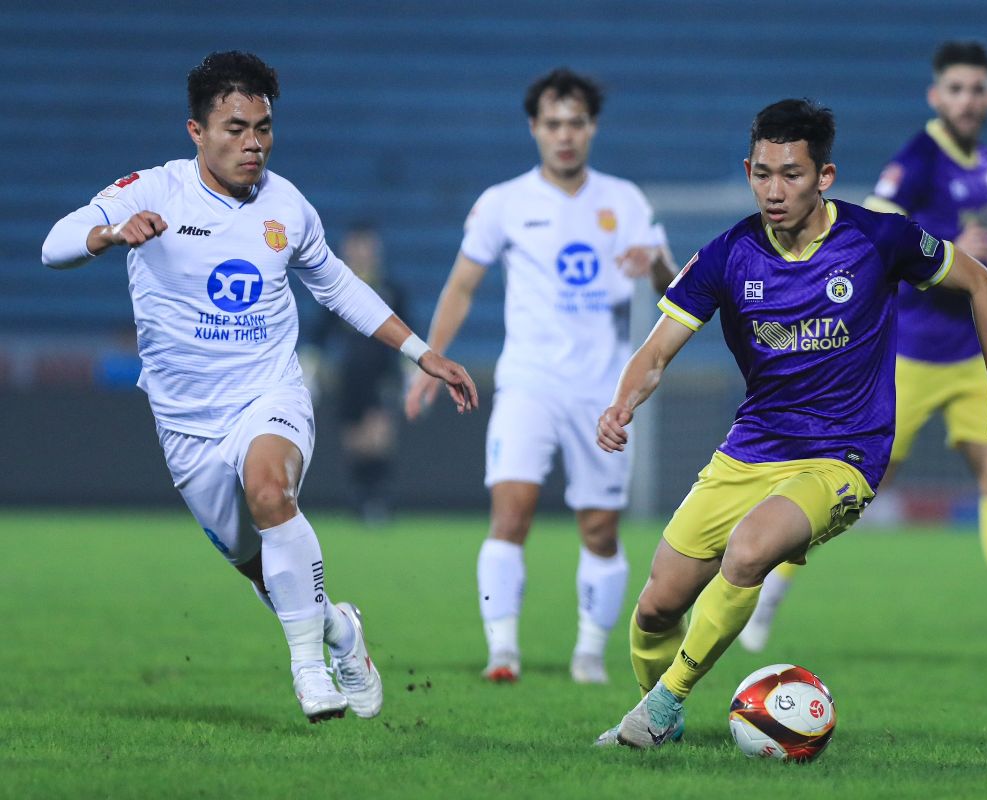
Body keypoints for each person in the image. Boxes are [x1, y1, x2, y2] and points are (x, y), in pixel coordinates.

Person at [41, 51, 478, 722]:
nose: (253, 144)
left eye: (264, 128)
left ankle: (309, 672)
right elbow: (54, 244)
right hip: (187, 421)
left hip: (267, 391)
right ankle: (340, 631)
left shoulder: (287, 207)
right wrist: (108, 233)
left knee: (272, 492)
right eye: (236, 128)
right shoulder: (155, 191)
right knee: (264, 569)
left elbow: (336, 285)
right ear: (197, 132)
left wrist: (422, 353)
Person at [593, 98, 987, 748]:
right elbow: (656, 351)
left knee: (747, 553)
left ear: (824, 177)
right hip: (751, 449)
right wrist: (622, 402)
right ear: (749, 168)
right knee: (657, 606)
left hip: (844, 455)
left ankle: (662, 708)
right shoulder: (727, 255)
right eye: (763, 173)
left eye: (792, 175)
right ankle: (660, 708)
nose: (775, 190)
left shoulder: (878, 238)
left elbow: (983, 285)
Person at [738, 41, 987, 671]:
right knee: (847, 495)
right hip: (907, 360)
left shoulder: (981, 159)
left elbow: (958, 255)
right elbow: (881, 214)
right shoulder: (920, 157)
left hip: (967, 358)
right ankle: (766, 594)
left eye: (976, 88)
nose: (966, 99)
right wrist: (954, 243)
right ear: (936, 96)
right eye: (954, 88)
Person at [404, 68, 675, 685]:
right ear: (534, 128)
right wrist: (430, 358)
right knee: (511, 512)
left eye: (575, 122)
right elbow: (463, 284)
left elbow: (671, 286)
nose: (565, 135)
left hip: (604, 389)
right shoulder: (505, 202)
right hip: (529, 382)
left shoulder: (623, 200)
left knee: (600, 528)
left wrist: (654, 261)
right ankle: (503, 652)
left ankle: (588, 653)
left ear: (591, 127)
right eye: (553, 123)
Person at [302, 222, 406, 524]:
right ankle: (361, 498)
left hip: (381, 373)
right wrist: (310, 367)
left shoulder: (390, 289)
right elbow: (319, 334)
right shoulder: (335, 288)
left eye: (366, 245)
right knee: (355, 441)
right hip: (349, 375)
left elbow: (407, 330)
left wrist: (410, 372)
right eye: (355, 245)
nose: (361, 251)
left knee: (379, 435)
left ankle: (379, 499)